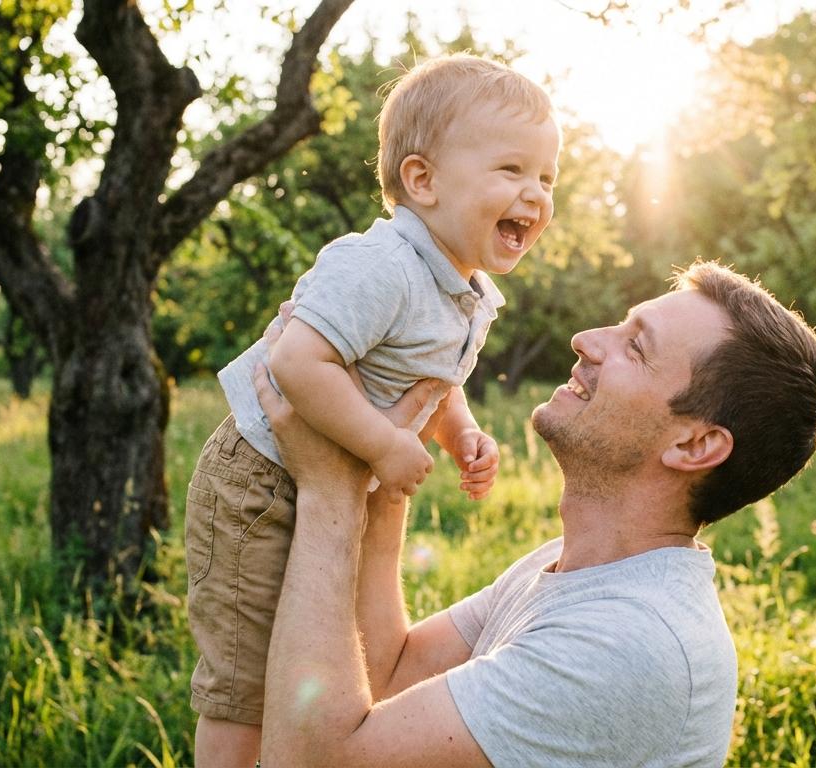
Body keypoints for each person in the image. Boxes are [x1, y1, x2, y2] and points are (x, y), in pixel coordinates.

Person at [255, 261, 816, 767]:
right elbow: (391, 671)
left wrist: (327, 491)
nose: (586, 339)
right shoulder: (575, 568)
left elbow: (314, 761)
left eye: (635, 347)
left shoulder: (629, 645)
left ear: (693, 446)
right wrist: (375, 477)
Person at [185, 53, 559, 767]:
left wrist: (464, 432)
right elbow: (298, 363)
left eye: (546, 178)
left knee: (320, 656)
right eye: (511, 171)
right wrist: (384, 448)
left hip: (330, 482)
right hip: (259, 484)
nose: (535, 194)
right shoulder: (378, 264)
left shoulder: (466, 290)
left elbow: (436, 379)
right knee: (246, 681)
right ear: (422, 180)